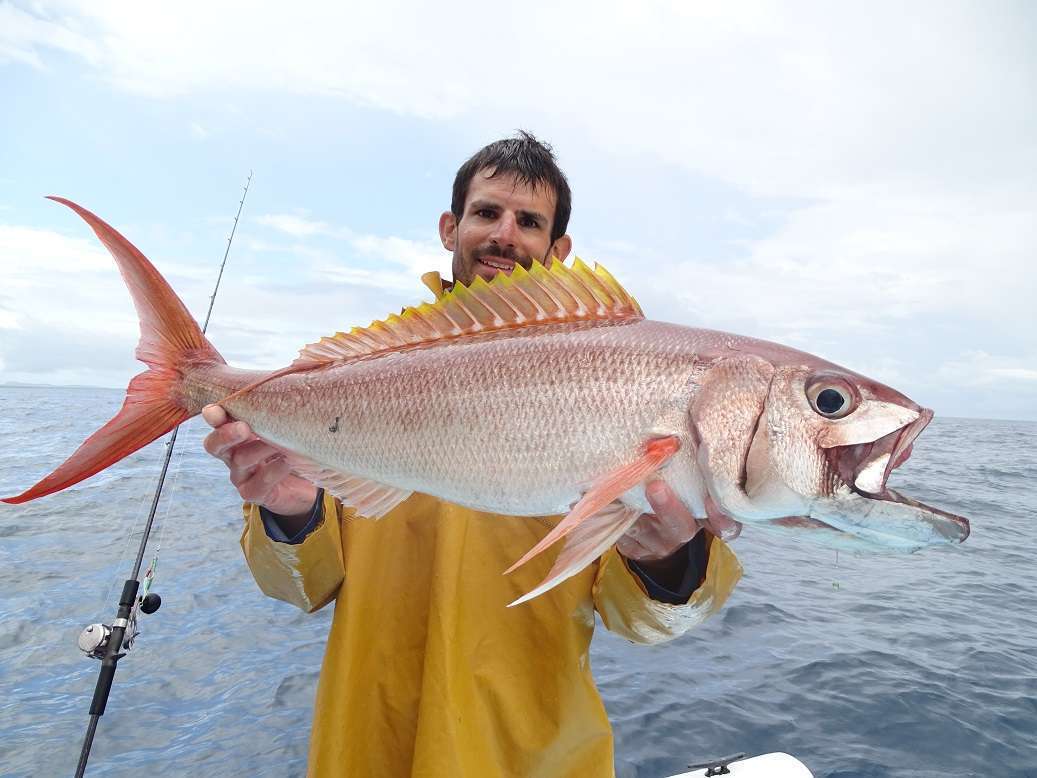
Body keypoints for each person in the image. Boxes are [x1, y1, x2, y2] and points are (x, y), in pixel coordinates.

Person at [202, 132, 742, 777]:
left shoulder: (622, 382)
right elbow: (300, 586)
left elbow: (649, 625)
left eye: (530, 221)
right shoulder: (368, 377)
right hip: (369, 747)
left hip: (529, 756)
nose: (505, 235)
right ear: (450, 227)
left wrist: (669, 558)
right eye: (487, 213)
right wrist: (291, 514)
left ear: (559, 249)